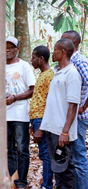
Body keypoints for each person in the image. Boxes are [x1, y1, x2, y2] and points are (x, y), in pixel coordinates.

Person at [40, 39, 81, 189]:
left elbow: (73, 104)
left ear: (63, 51)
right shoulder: (58, 72)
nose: (53, 52)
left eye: (55, 49)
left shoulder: (72, 73)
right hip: (52, 128)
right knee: (57, 167)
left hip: (61, 131)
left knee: (66, 168)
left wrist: (65, 131)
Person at [5, 36, 35, 189]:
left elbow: (32, 89)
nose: (7, 49)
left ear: (17, 49)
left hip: (20, 115)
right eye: (5, 47)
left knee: (22, 148)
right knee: (8, 149)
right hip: (4, 115)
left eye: (11, 47)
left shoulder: (24, 66)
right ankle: (12, 179)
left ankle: (22, 181)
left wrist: (15, 98)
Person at [61, 30, 88, 189]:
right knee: (71, 159)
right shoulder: (69, 62)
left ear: (73, 43)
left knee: (78, 159)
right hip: (69, 118)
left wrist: (84, 106)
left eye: (64, 40)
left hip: (78, 118)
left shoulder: (79, 62)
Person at [29, 46, 54, 189]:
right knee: (43, 153)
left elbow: (50, 103)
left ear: (41, 59)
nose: (32, 60)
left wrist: (41, 127)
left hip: (42, 119)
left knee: (46, 154)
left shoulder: (49, 75)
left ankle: (47, 185)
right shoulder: (41, 74)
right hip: (37, 119)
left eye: (34, 57)